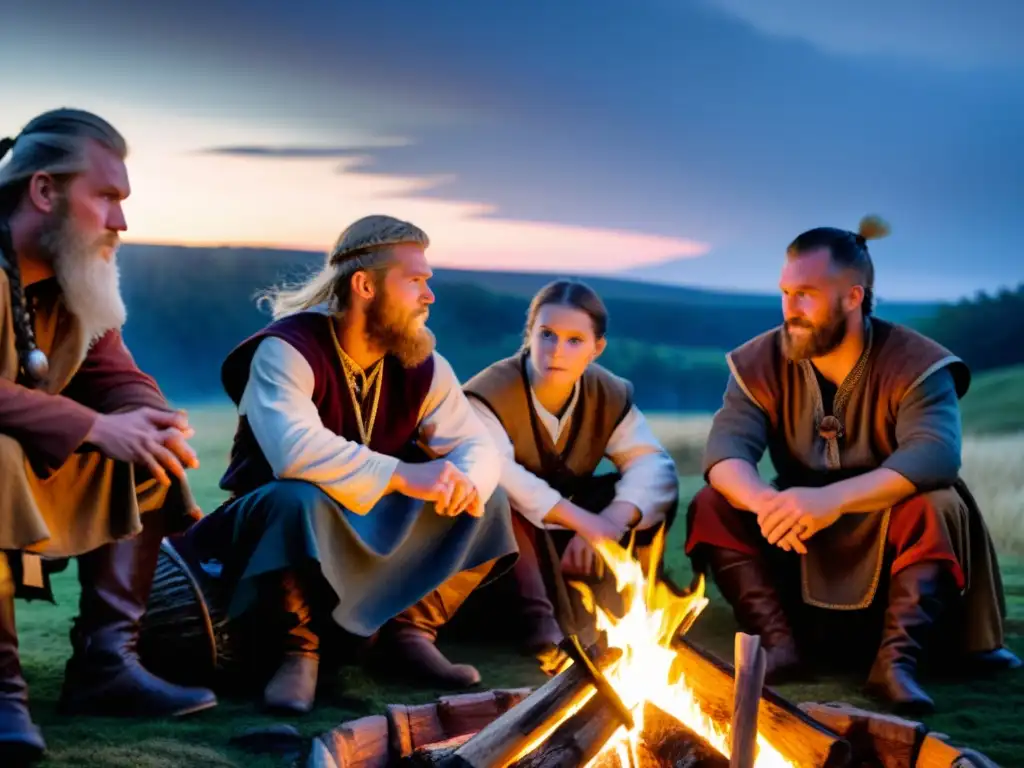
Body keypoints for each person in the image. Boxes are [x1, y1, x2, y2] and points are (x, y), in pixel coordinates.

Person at [177, 214, 518, 715]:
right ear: (364, 285)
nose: (430, 296)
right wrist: (407, 475)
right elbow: (293, 451)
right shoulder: (286, 350)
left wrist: (463, 482)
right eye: (416, 281)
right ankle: (298, 651)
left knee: (489, 496)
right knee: (297, 496)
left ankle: (410, 633)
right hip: (271, 532)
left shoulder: (424, 365)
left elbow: (478, 445)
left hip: (362, 522)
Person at [684, 215, 1021, 715]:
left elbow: (935, 455)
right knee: (714, 502)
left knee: (938, 504)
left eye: (806, 294)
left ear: (853, 297)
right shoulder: (759, 363)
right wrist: (767, 502)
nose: (790, 309)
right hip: (795, 531)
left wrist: (830, 500)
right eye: (785, 292)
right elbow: (726, 451)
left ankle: (895, 662)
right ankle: (779, 644)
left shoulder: (917, 363)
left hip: (887, 527)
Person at [0, 109, 217, 763]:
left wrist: (151, 419)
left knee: (146, 454)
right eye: (107, 197)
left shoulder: (73, 280)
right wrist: (95, 427)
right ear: (45, 190)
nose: (120, 221)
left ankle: (105, 665)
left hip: (26, 470)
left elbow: (113, 372)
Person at [462, 279, 678, 668]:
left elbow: (653, 465)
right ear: (530, 334)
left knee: (624, 492)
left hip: (566, 542)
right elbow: (499, 472)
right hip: (500, 556)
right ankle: (540, 625)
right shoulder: (488, 393)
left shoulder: (608, 393)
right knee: (496, 497)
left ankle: (625, 608)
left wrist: (606, 523)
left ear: (597, 348)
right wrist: (583, 522)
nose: (557, 351)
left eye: (574, 340)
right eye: (547, 335)